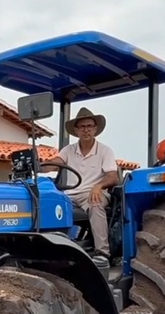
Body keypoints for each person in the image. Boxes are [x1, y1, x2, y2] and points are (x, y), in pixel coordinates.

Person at [44, 107, 119, 267]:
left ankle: (102, 253)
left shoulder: (105, 151)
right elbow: (56, 162)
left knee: (96, 203)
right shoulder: (69, 150)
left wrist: (98, 186)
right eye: (82, 127)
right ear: (76, 130)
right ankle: (51, 251)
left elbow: (113, 176)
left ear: (95, 129)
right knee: (49, 204)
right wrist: (41, 165)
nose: (86, 130)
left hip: (93, 192)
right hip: (70, 195)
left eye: (89, 126)